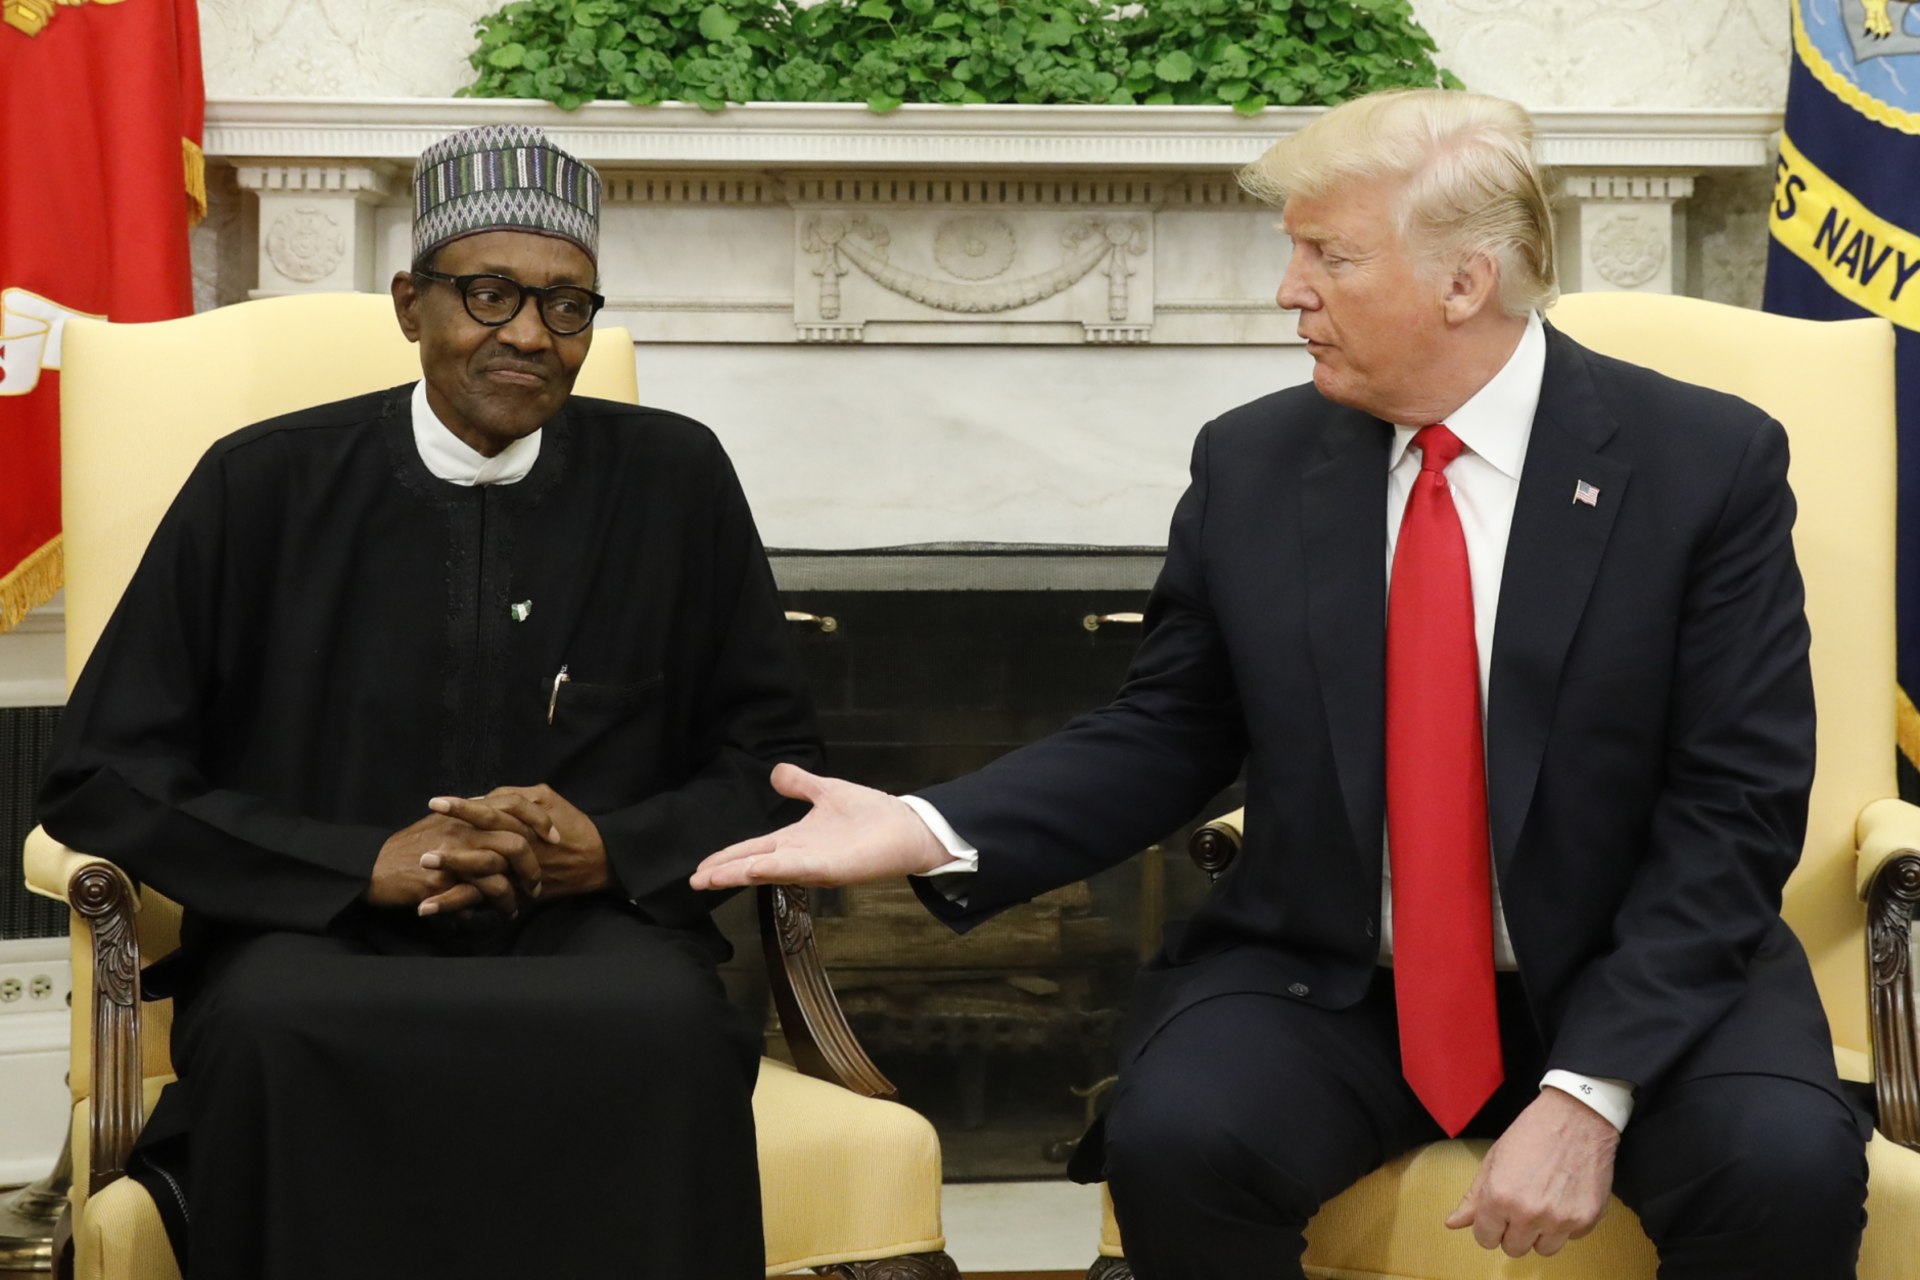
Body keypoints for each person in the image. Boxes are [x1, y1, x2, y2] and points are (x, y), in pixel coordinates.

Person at [692, 89, 1873, 1279]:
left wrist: (1588, 1089)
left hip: (1643, 967)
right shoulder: (1253, 460)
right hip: (1338, 975)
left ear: (1463, 282)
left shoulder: (1702, 463)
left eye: (1328, 255)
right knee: (1180, 1138)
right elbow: (1169, 729)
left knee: (1781, 1166)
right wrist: (928, 824)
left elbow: (1736, 803)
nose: (1288, 290)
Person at [38, 123, 818, 1279]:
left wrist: (608, 848)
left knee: (670, 1023)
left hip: (591, 927)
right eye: (490, 294)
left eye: (566, 305)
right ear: (412, 304)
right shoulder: (263, 481)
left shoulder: (673, 476)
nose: (529, 334)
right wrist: (358, 861)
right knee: (275, 1028)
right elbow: (101, 773)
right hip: (312, 927)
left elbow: (776, 757)